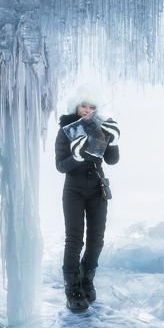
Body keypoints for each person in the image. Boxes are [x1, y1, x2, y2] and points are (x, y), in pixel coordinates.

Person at [55, 93, 120, 312]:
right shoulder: (66, 131)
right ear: (76, 107)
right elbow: (60, 166)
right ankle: (72, 289)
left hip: (97, 189)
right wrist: (76, 156)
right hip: (73, 190)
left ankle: (86, 279)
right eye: (84, 105)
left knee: (97, 240)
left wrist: (114, 140)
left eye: (92, 106)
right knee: (74, 240)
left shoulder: (101, 128)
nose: (87, 110)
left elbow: (112, 160)